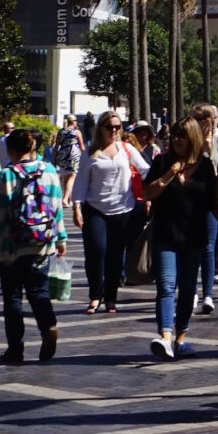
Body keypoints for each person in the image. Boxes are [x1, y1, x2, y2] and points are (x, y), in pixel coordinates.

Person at [142, 117, 218, 359]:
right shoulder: (161, 162)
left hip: (194, 236)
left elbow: (214, 200)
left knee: (188, 289)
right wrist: (169, 175)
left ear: (193, 138)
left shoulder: (205, 166)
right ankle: (165, 336)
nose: (177, 140)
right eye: (174, 135)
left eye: (182, 135)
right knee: (167, 286)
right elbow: (148, 192)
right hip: (166, 235)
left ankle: (181, 337)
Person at [0, 127, 67, 365]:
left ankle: (15, 349)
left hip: (11, 247)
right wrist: (60, 238)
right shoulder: (50, 171)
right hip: (41, 243)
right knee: (39, 292)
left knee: (12, 298)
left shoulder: (5, 176)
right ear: (33, 147)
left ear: (10, 150)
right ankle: (48, 327)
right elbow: (56, 208)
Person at [70, 112, 144, 314]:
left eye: (118, 127)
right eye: (110, 127)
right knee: (96, 251)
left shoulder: (127, 150)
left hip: (123, 209)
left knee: (115, 255)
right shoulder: (90, 153)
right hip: (95, 209)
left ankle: (111, 297)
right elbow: (81, 182)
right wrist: (77, 206)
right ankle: (95, 295)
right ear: (100, 129)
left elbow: (147, 170)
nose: (114, 131)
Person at [191, 103, 218, 313]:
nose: (208, 125)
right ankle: (191, 291)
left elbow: (216, 169)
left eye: (210, 120)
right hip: (190, 200)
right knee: (192, 248)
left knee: (209, 247)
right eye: (204, 120)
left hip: (211, 200)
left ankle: (208, 295)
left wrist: (209, 145)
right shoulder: (188, 141)